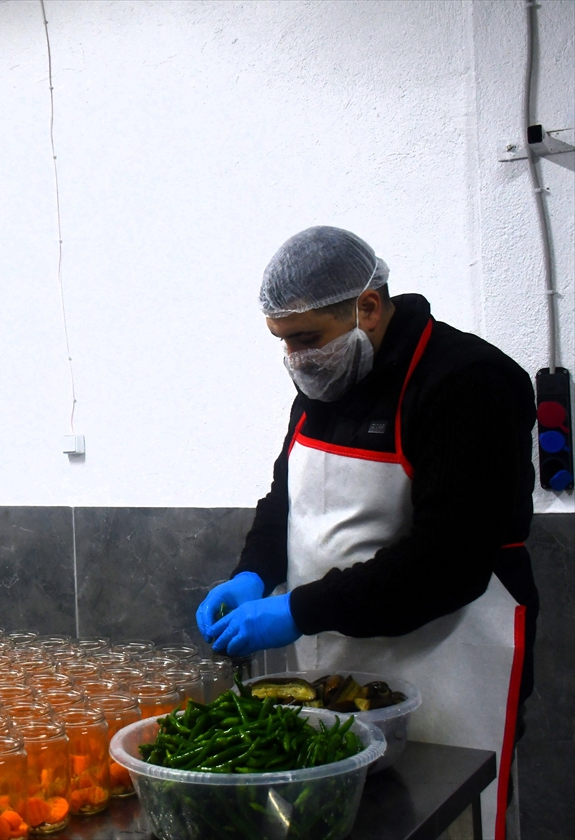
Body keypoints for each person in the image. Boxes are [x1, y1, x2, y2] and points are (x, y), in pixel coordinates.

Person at [196, 227, 538, 834]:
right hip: (333, 655)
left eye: (306, 339)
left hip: (447, 660)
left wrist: (299, 610)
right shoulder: (327, 376)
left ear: (369, 308)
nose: (295, 359)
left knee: (442, 818)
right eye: (282, 342)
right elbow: (286, 500)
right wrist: (254, 573)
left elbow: (448, 562)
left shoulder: (468, 381)